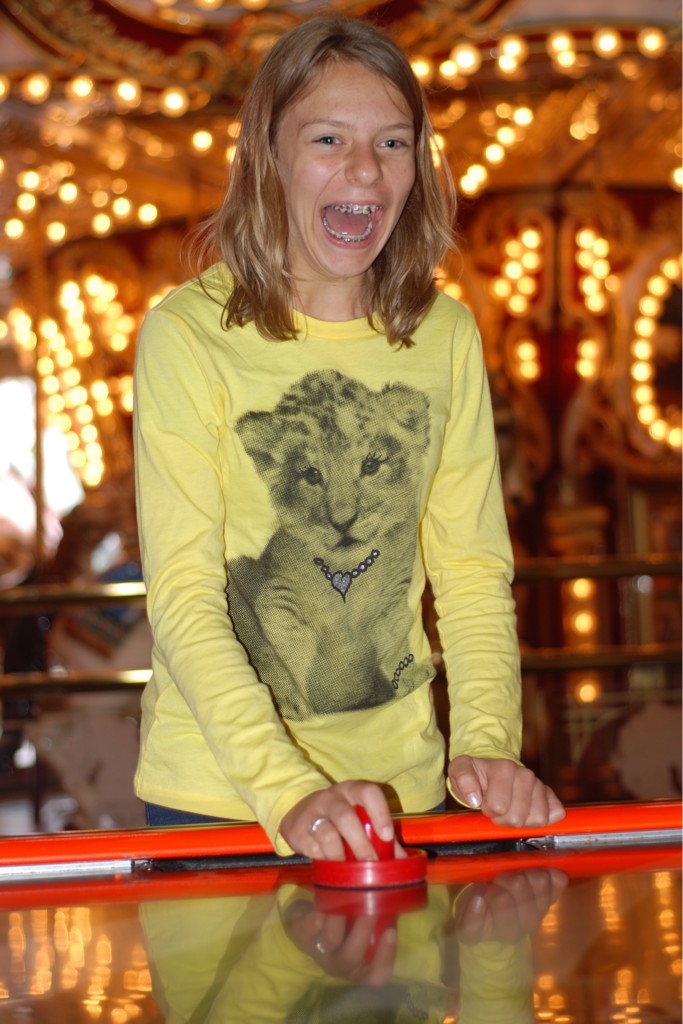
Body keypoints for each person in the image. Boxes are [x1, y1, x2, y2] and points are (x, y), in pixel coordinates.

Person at [133, 15, 565, 863]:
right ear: (270, 158)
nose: (364, 170)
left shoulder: (443, 336)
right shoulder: (186, 336)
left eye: (393, 143)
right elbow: (185, 593)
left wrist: (487, 744)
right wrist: (287, 791)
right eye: (328, 138)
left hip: (404, 794)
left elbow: (471, 570)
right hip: (224, 800)